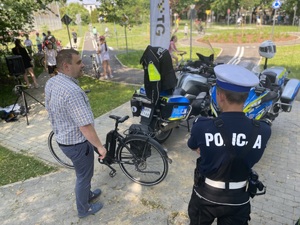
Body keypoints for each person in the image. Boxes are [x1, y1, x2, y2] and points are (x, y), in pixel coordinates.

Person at [187, 64, 272, 225]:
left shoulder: (202, 126)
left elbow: (194, 146)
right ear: (246, 97)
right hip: (238, 199)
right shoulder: (263, 130)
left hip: (206, 195)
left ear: (220, 95)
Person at [45, 49, 107, 218]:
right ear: (66, 66)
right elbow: (85, 126)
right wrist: (100, 147)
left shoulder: (52, 82)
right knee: (83, 177)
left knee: (84, 174)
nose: (82, 64)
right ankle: (84, 209)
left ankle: (87, 195)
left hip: (63, 139)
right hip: (77, 144)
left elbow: (49, 108)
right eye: (78, 62)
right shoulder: (72, 92)